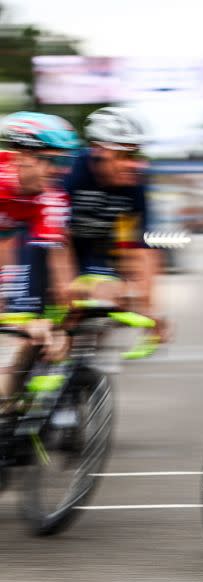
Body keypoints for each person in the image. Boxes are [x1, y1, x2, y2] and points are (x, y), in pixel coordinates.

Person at [63, 107, 164, 343]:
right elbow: (55, 238)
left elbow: (140, 248)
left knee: (113, 298)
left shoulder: (135, 184)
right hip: (58, 247)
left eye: (136, 155)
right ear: (98, 151)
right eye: (124, 156)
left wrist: (149, 306)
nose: (133, 165)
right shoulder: (70, 174)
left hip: (97, 253)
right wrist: (66, 288)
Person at [0, 112, 79, 405]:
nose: (58, 171)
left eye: (65, 162)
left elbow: (59, 263)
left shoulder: (51, 198)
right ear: (22, 156)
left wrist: (64, 325)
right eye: (52, 161)